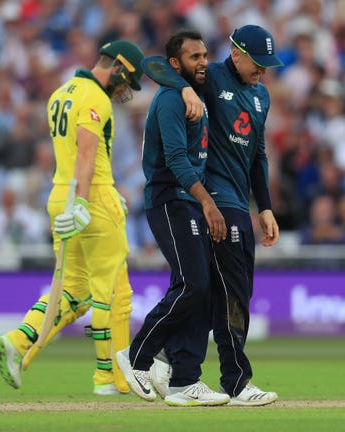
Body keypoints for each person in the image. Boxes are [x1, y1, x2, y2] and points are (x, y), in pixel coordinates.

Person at [0, 40, 144, 396]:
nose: (125, 90)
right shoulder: (96, 98)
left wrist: (73, 201)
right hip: (90, 195)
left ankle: (18, 340)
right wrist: (83, 202)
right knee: (114, 291)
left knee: (73, 289)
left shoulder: (61, 93)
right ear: (119, 66)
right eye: (127, 80)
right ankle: (112, 377)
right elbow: (86, 153)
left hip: (59, 195)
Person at [149, 24, 282, 406]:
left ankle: (170, 356)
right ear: (236, 53)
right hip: (216, 202)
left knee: (231, 293)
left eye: (266, 65)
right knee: (230, 294)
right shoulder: (211, 76)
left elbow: (257, 156)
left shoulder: (261, 96)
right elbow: (154, 64)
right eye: (257, 63)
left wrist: (267, 207)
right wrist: (185, 86)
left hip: (241, 203)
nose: (262, 71)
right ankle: (236, 381)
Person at [115, 30, 229, 407]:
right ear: (177, 64)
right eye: (193, 56)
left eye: (204, 55)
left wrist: (185, 85)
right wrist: (208, 204)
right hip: (170, 198)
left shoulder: (192, 87)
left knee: (203, 287)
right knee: (193, 285)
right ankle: (138, 357)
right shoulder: (169, 99)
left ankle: (184, 380)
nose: (203, 62)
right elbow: (178, 160)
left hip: (188, 201)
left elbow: (159, 66)